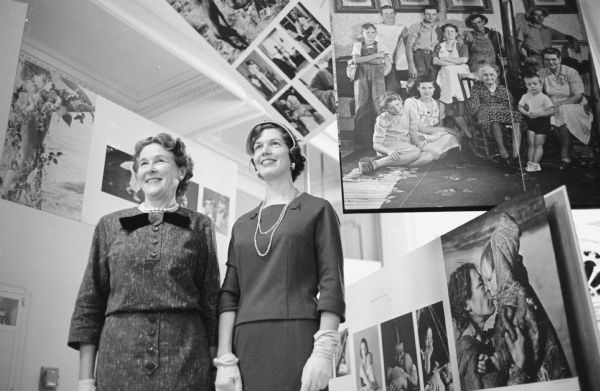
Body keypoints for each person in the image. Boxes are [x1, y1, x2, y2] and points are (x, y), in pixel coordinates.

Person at [68, 133, 220, 390]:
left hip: (186, 360)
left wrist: (215, 370)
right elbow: (89, 303)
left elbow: (211, 301)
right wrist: (85, 380)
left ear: (181, 172)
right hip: (118, 359)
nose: (150, 168)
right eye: (144, 163)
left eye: (160, 160)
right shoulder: (109, 225)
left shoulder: (201, 226)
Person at [215, 121, 345, 391]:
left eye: (274, 143)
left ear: (292, 156)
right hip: (247, 342)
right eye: (258, 146)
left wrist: (324, 352)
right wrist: (225, 359)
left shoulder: (317, 210)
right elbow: (229, 294)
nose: (265, 150)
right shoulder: (242, 224)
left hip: (297, 336)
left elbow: (332, 282)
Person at [479, 213, 571, 383]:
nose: (487, 286)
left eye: (489, 279)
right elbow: (510, 347)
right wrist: (495, 361)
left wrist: (505, 364)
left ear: (503, 270)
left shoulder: (517, 306)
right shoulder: (512, 296)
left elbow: (527, 354)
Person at [448, 263, 529, 390]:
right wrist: (519, 365)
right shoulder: (470, 353)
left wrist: (494, 363)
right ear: (466, 304)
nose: (488, 288)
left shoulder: (482, 342)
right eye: (481, 285)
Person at [539, 47, 592, 168]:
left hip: (575, 105)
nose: (551, 63)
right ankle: (569, 153)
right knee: (551, 116)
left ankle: (565, 154)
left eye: (553, 59)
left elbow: (578, 96)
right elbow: (539, 93)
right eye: (547, 60)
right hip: (554, 107)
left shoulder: (571, 72)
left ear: (559, 59)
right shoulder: (542, 73)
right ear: (544, 60)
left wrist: (558, 106)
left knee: (561, 111)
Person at [357, 92, 433, 175]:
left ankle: (386, 163)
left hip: (404, 147)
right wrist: (389, 152)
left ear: (401, 101)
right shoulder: (382, 118)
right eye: (391, 108)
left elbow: (413, 132)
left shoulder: (409, 112)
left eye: (397, 104)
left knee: (428, 156)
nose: (397, 109)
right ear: (386, 110)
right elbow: (376, 145)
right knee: (416, 153)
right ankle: (376, 164)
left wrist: (418, 145)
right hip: (387, 147)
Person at [468, 64, 521, 167]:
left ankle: (516, 155)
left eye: (491, 74)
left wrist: (502, 109)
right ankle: (503, 152)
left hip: (502, 111)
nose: (489, 77)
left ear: (496, 75)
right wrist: (489, 109)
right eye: (485, 75)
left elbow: (511, 102)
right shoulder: (476, 89)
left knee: (516, 117)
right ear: (481, 77)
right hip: (485, 113)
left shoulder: (501, 88)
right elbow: (474, 107)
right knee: (494, 118)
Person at [351, 23, 388, 152]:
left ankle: (380, 140)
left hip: (378, 76)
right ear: (362, 34)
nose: (370, 35)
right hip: (361, 77)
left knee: (379, 105)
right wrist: (375, 56)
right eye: (368, 33)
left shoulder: (381, 44)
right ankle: (361, 142)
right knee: (361, 106)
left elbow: (380, 61)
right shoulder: (357, 45)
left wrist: (363, 59)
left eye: (373, 32)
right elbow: (356, 60)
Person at [404, 78, 461, 159]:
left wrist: (436, 136)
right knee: (451, 134)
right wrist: (448, 130)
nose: (427, 91)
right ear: (418, 88)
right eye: (423, 88)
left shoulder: (439, 105)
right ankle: (425, 153)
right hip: (414, 137)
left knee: (450, 137)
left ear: (434, 88)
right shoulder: (411, 102)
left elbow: (439, 126)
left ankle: (430, 153)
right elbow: (420, 128)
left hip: (432, 137)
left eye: (430, 88)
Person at [433, 23, 471, 139]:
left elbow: (464, 59)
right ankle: (468, 134)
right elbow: (435, 61)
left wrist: (446, 59)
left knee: (463, 107)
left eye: (452, 31)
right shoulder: (439, 46)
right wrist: (455, 61)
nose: (450, 34)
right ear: (443, 34)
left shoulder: (461, 45)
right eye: (447, 32)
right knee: (452, 109)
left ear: (456, 33)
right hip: (447, 79)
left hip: (460, 77)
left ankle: (468, 133)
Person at [517, 73, 554, 172]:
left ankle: (535, 163)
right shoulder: (525, 96)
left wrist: (539, 114)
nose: (532, 86)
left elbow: (551, 111)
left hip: (542, 122)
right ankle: (531, 163)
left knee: (538, 144)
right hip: (531, 121)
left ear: (540, 84)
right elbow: (520, 106)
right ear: (526, 85)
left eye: (535, 83)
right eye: (529, 84)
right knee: (531, 143)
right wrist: (526, 113)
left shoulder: (544, 97)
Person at [375, 0, 409, 93]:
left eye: (391, 13)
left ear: (395, 14)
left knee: (392, 89)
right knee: (376, 89)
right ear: (381, 15)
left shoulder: (401, 28)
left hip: (391, 63)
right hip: (376, 61)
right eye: (385, 13)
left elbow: (408, 46)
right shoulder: (375, 27)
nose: (389, 15)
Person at [406, 6, 443, 79]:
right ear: (423, 14)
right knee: (420, 80)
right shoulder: (416, 26)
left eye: (433, 14)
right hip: (420, 56)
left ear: (437, 15)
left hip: (435, 57)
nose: (431, 17)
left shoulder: (440, 28)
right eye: (428, 14)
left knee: (435, 81)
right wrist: (411, 66)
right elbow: (409, 47)